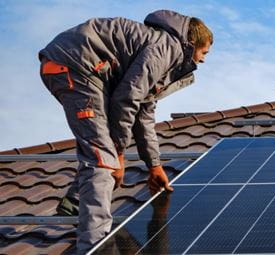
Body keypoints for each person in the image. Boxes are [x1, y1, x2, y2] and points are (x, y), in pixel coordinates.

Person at [38, 10, 212, 253]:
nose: (203, 60)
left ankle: (74, 201)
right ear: (191, 43)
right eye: (204, 52)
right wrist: (119, 154)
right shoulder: (166, 48)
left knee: (99, 143)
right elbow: (126, 99)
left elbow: (143, 113)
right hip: (79, 66)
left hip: (79, 67)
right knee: (103, 159)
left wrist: (154, 165)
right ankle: (96, 247)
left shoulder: (163, 55)